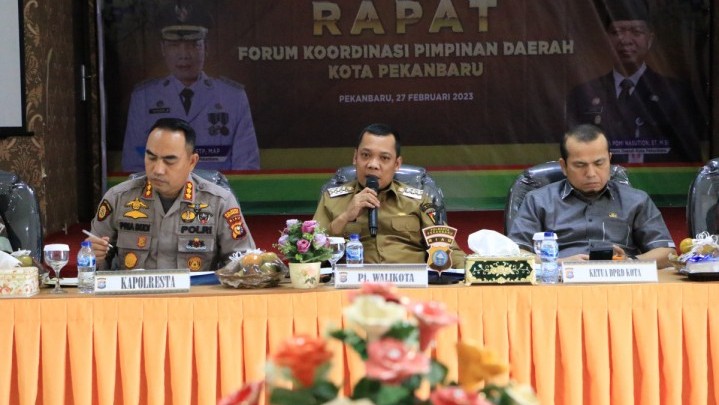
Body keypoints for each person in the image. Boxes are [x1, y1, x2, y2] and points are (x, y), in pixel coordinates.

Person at [89, 117, 255, 271]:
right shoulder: (118, 198)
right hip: (135, 299)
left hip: (195, 300)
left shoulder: (220, 203)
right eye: (151, 157)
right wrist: (94, 258)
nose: (158, 170)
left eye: (169, 160)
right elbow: (92, 269)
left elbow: (244, 261)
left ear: (192, 162)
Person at [507, 124, 675, 268]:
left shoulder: (636, 200)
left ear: (609, 160)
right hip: (560, 286)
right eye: (580, 165)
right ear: (564, 166)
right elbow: (516, 254)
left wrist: (630, 261)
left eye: (599, 163)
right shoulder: (538, 201)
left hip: (620, 286)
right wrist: (559, 263)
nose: (591, 173)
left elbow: (667, 253)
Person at [121, 1, 259, 172]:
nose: (184, 55)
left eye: (193, 45)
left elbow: (246, 167)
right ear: (163, 49)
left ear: (206, 48)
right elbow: (133, 166)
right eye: (174, 46)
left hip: (218, 196)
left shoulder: (232, 97)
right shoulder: (144, 98)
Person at [565, 0, 705, 163]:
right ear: (606, 39)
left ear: (650, 40)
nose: (626, 40)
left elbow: (688, 156)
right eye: (617, 32)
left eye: (636, 32)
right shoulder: (583, 94)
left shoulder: (675, 93)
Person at [313, 123, 466, 267]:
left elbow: (448, 251)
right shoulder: (332, 199)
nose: (373, 164)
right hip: (351, 290)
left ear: (397, 164)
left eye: (384, 158)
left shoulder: (419, 200)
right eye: (365, 155)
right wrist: (345, 216)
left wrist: (472, 271)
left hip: (409, 288)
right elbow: (308, 254)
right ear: (355, 157)